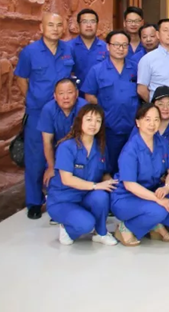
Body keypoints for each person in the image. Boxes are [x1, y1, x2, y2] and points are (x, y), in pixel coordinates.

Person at [15, 11, 75, 219]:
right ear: (41, 28)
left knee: (64, 153)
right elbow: (21, 78)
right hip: (38, 112)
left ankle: (61, 197)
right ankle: (34, 201)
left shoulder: (68, 49)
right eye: (50, 25)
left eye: (59, 25)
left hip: (64, 112)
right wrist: (32, 99)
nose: (55, 29)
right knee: (36, 158)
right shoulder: (30, 52)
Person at [46, 104, 118, 245]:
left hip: (86, 196)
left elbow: (104, 172)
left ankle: (101, 233)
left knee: (101, 196)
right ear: (80, 121)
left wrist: (111, 182)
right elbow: (67, 179)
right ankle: (67, 228)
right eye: (89, 119)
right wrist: (95, 185)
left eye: (98, 121)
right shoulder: (66, 147)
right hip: (63, 200)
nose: (93, 124)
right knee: (86, 224)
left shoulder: (101, 147)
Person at [111, 104, 169, 246]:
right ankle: (126, 228)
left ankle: (156, 224)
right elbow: (130, 185)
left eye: (156, 119)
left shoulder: (162, 142)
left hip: (150, 191)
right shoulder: (131, 149)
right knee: (159, 210)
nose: (152, 124)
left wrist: (166, 187)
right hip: (126, 197)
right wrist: (157, 200)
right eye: (147, 119)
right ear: (138, 122)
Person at [82, 30, 140, 174]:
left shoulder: (136, 68)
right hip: (109, 128)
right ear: (108, 46)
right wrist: (105, 108)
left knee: (132, 166)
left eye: (124, 45)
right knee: (109, 167)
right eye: (116, 45)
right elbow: (89, 95)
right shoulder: (97, 70)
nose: (121, 49)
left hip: (133, 128)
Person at [38, 79, 87, 193]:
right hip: (58, 155)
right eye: (61, 93)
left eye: (70, 92)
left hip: (81, 153)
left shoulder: (84, 108)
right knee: (53, 182)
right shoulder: (48, 109)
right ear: (55, 96)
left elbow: (89, 139)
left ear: (77, 93)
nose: (66, 97)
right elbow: (47, 142)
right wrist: (51, 166)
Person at [137, 18, 169, 122]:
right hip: (161, 118)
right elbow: (141, 89)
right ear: (158, 34)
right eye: (165, 30)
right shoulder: (148, 59)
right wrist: (158, 105)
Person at [69, 9, 107, 89]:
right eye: (84, 22)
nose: (89, 25)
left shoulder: (106, 47)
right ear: (78, 25)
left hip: (99, 93)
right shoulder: (68, 47)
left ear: (97, 24)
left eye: (92, 21)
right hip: (75, 93)